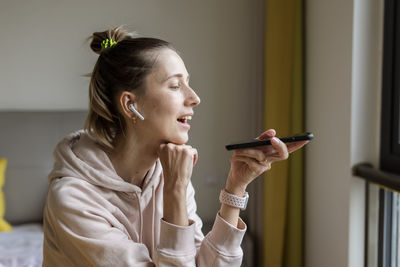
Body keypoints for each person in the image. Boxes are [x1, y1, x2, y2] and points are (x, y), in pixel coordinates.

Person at [42, 26, 308, 267]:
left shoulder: (166, 172)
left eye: (188, 84)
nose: (195, 98)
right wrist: (174, 190)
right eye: (175, 86)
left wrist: (236, 187)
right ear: (130, 105)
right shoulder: (73, 200)